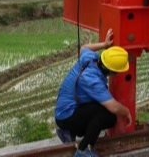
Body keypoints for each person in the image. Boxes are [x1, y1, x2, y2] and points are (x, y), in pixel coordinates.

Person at [55, 29, 132, 157]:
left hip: (63, 112)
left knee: (99, 107)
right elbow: (113, 107)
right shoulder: (93, 81)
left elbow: (84, 47)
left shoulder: (90, 58)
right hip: (66, 117)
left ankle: (68, 132)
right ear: (112, 72)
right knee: (108, 116)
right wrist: (127, 112)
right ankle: (83, 149)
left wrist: (104, 44)